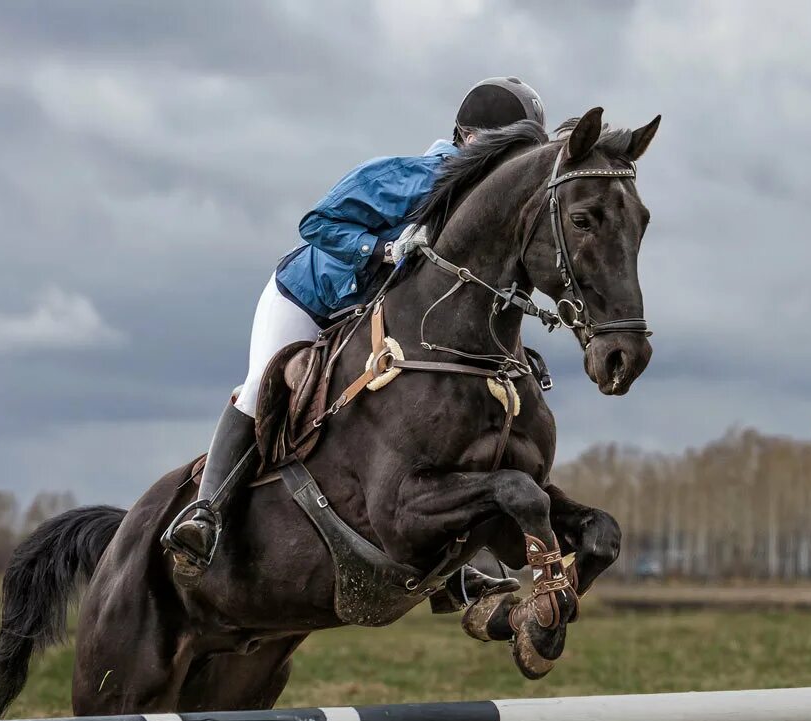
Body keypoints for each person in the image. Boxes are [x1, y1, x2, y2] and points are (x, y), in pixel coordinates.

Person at [161, 77, 547, 593]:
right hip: (308, 299)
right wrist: (382, 250)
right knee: (260, 388)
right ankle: (204, 514)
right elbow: (317, 223)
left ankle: (443, 576)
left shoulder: (481, 214)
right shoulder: (408, 177)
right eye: (504, 149)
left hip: (369, 320)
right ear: (465, 138)